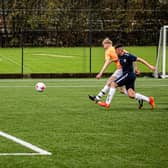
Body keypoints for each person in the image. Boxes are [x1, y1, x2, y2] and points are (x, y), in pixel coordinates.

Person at [98, 44, 156, 109]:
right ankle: (149, 100)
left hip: (128, 75)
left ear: (120, 50)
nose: (115, 52)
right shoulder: (120, 56)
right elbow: (116, 59)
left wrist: (150, 66)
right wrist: (111, 61)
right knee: (131, 95)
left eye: (116, 51)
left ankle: (107, 103)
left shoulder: (128, 56)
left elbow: (139, 59)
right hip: (129, 76)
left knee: (113, 84)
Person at [88, 38, 142, 108]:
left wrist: (101, 73)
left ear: (107, 44)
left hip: (121, 69)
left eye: (103, 45)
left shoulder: (108, 51)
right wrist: (136, 68)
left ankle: (98, 97)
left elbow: (107, 62)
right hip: (126, 70)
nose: (103, 47)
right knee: (122, 90)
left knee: (110, 82)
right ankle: (139, 98)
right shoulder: (119, 49)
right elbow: (131, 57)